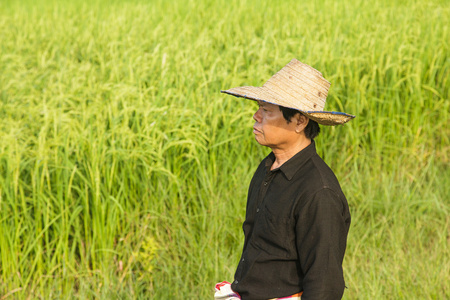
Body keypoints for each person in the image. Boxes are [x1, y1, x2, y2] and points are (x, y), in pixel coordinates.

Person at [216, 59, 355, 300]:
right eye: (259, 107)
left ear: (300, 121)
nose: (256, 115)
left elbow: (324, 285)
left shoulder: (319, 192)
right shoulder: (267, 167)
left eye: (267, 110)